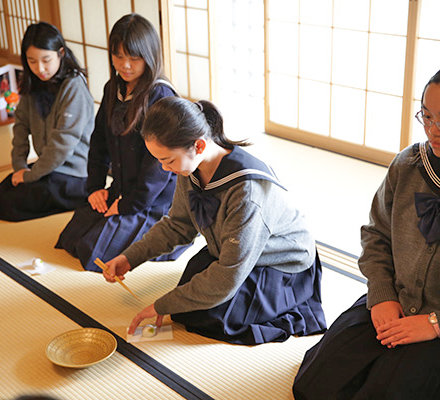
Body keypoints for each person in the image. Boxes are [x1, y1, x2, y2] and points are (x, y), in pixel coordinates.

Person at [293, 56, 440, 399]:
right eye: (427, 117)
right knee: (313, 385)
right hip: (397, 302)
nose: (433, 131)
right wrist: (382, 296)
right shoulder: (409, 164)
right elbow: (376, 234)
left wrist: (436, 324)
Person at [100, 97, 327, 345]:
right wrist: (130, 258)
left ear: (198, 146)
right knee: (189, 306)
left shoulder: (246, 190)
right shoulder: (190, 168)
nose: (164, 169)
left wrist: (159, 305)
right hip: (231, 250)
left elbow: (228, 275)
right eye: (160, 161)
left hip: (279, 260)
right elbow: (178, 225)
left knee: (216, 320)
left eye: (168, 160)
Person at [55, 13, 188, 271]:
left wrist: (128, 205)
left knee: (92, 252)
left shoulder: (160, 95)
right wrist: (95, 187)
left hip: (153, 201)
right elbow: (99, 140)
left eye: (134, 57)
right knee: (71, 237)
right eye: (118, 56)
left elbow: (157, 170)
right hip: (122, 188)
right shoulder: (112, 88)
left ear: (149, 56)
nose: (125, 65)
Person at [0, 22, 94, 221]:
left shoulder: (74, 86)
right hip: (49, 168)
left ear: (61, 53)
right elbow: (20, 125)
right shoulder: (33, 83)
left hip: (74, 174)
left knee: (8, 205)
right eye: (32, 61)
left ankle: (79, 200)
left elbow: (62, 145)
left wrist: (30, 175)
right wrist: (20, 166)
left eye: (46, 60)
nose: (40, 68)